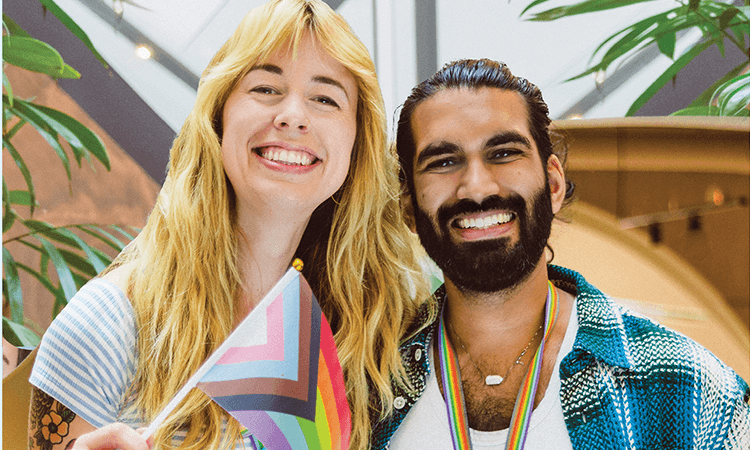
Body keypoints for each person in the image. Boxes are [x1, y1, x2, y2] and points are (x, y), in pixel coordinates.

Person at [27, 1, 430, 449]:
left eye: (325, 98)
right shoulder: (108, 324)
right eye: (265, 88)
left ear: (358, 145)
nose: (293, 115)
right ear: (218, 118)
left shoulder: (378, 331)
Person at [370, 58, 750, 449]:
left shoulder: (688, 389)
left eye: (503, 153)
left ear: (553, 184)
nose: (477, 187)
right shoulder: (364, 391)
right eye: (444, 162)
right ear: (409, 209)